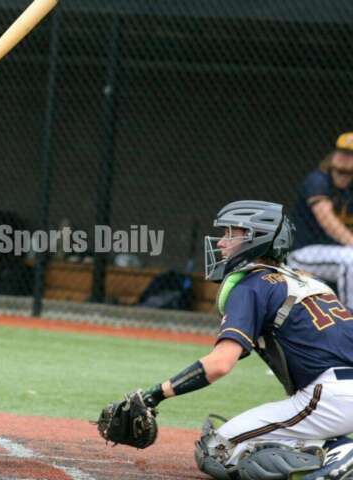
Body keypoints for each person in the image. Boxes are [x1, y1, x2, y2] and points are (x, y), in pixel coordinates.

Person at [122, 201, 353, 480]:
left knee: (216, 451)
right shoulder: (311, 281)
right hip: (336, 396)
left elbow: (220, 364)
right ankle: (336, 450)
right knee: (261, 442)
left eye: (232, 233)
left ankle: (338, 451)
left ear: (256, 239)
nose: (221, 242)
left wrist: (153, 395)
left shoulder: (251, 285)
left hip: (328, 398)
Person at [288, 132, 353, 310]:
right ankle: (349, 322)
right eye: (341, 151)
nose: (343, 157)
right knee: (352, 260)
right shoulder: (318, 180)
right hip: (302, 253)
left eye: (350, 154)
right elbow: (327, 221)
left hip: (335, 255)